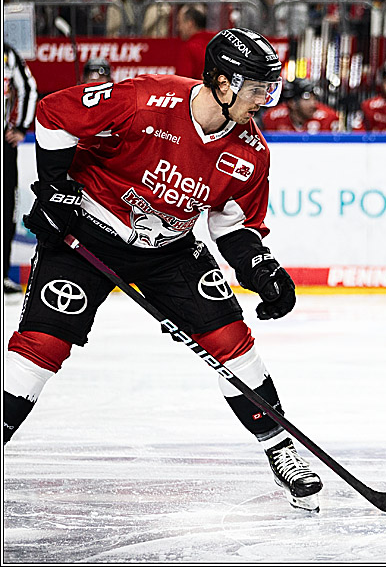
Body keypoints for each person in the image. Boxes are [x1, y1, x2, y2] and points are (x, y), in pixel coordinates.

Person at [3, 27, 325, 513]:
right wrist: (54, 188)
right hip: (86, 235)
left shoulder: (252, 151)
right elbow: (53, 113)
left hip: (169, 249)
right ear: (221, 82)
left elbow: (231, 222)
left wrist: (262, 270)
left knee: (231, 341)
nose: (265, 99)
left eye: (268, 88)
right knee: (42, 345)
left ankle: (282, 450)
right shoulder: (146, 97)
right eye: (257, 87)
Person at [3, 43, 38, 298]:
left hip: (4, 144)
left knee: (6, 208)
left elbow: (29, 88)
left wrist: (22, 127)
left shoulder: (8, 54)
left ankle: (3, 275)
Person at [261, 78, 340, 133]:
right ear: (292, 103)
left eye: (314, 99)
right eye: (307, 99)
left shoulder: (328, 117)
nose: (313, 104)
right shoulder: (272, 117)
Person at [175, 6, 215, 79]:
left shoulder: (189, 48)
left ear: (190, 23)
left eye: (179, 23)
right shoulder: (219, 42)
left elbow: (182, 82)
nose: (178, 28)